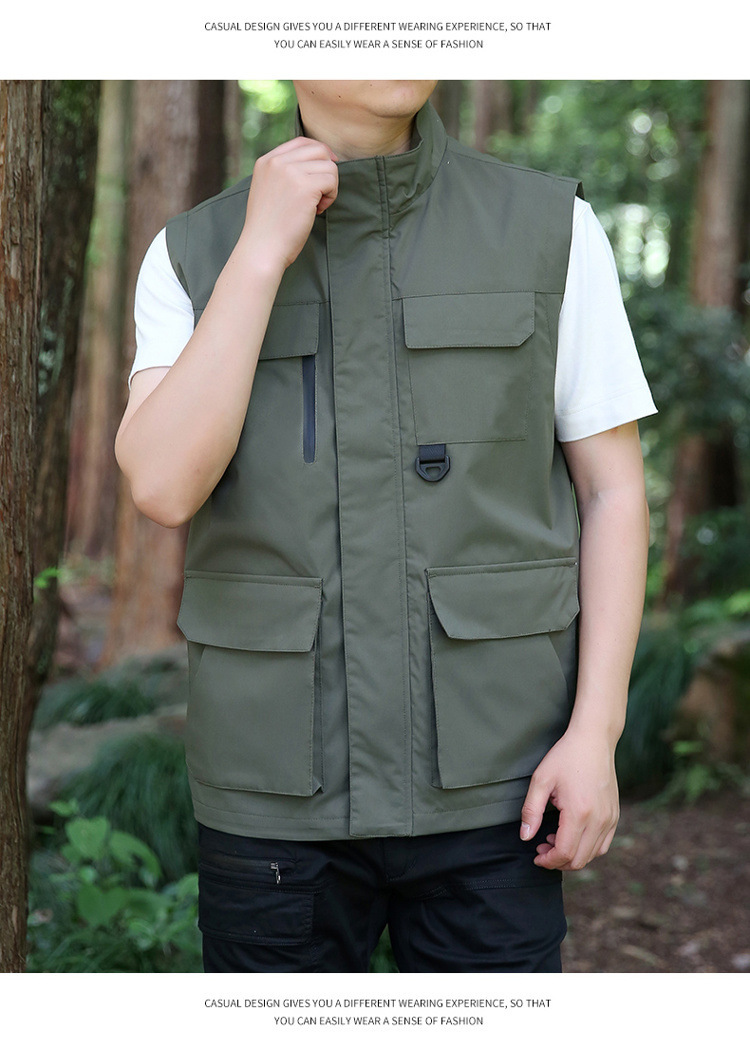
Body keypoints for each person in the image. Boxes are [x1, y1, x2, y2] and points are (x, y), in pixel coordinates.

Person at [115, 80, 656, 973]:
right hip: (273, 790)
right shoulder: (194, 250)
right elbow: (164, 485)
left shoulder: (549, 227)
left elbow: (613, 494)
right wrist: (260, 253)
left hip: (499, 778)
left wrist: (596, 733)